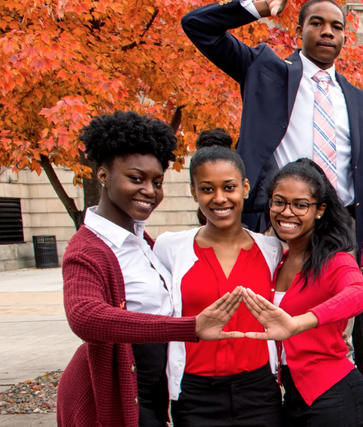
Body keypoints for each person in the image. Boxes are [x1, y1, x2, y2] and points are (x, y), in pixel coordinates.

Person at [182, 0, 363, 381]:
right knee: (262, 313)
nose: (328, 32)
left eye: (337, 26)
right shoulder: (266, 70)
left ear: (346, 36)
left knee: (337, 322)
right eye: (317, 23)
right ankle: (267, 384)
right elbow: (197, 26)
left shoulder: (357, 98)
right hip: (274, 219)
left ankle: (340, 393)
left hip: (338, 221)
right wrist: (258, 7)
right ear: (300, 30)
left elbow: (355, 171)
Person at [58, 111, 245, 427]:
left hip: (150, 390)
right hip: (111, 391)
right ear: (102, 175)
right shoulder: (88, 248)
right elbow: (85, 317)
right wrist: (188, 328)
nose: (149, 191)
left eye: (157, 182)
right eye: (136, 179)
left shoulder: (142, 239)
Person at [153, 130, 283, 426]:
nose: (219, 198)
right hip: (196, 395)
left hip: (258, 391)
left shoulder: (272, 250)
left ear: (245, 188)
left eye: (229, 187)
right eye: (207, 189)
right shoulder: (169, 248)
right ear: (193, 192)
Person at [237, 159, 363, 427]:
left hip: (333, 394)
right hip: (292, 394)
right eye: (279, 202)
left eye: (300, 205)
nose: (286, 212)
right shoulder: (276, 260)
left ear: (320, 210)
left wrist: (299, 322)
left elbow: (361, 293)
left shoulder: (333, 260)